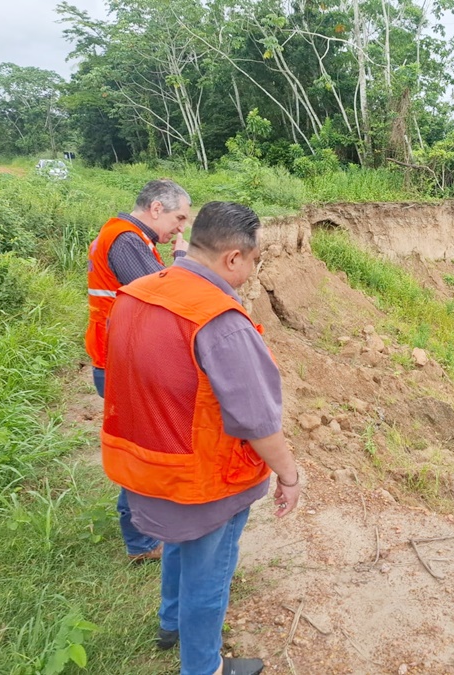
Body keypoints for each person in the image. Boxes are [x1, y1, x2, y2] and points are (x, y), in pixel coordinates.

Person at [101, 201, 300, 675]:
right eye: (255, 260)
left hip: (145, 462)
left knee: (177, 543)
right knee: (208, 579)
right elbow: (258, 422)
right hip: (203, 480)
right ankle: (203, 667)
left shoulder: (138, 292)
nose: (254, 270)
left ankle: (170, 624)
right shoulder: (221, 322)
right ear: (233, 258)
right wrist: (289, 475)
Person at [85, 178, 191, 562]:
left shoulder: (132, 238)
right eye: (179, 218)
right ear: (157, 208)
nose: (181, 228)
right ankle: (142, 543)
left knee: (143, 446)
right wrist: (181, 259)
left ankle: (145, 533)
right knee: (140, 450)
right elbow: (161, 296)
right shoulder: (126, 240)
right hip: (119, 361)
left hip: (121, 356)